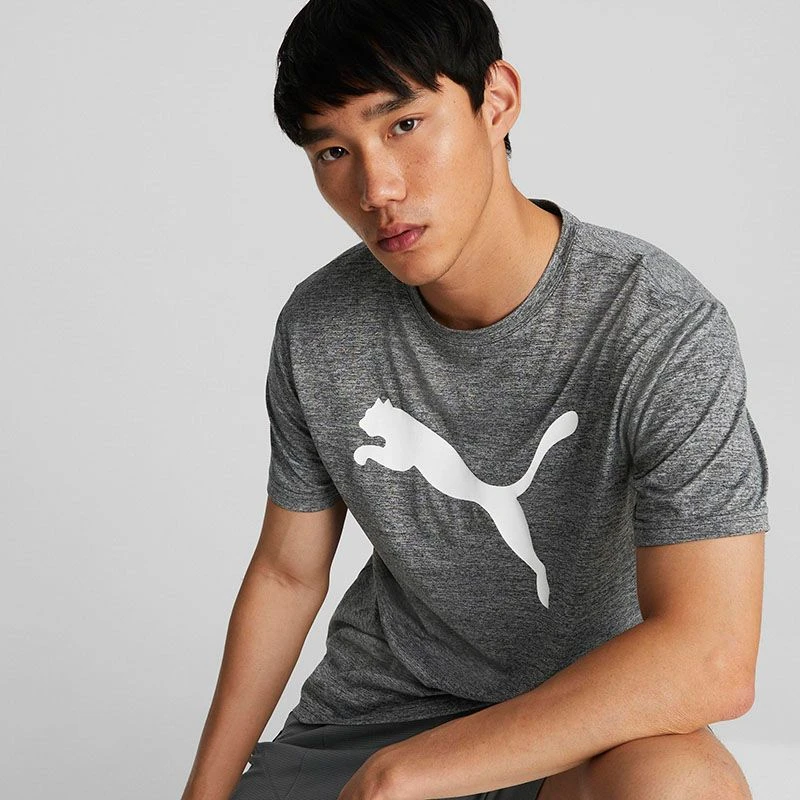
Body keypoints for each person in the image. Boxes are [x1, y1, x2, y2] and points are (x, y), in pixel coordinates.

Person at [181, 1, 770, 798]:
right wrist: (204, 793)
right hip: (373, 718)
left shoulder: (658, 325)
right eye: (333, 151)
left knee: (683, 787)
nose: (377, 188)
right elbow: (287, 575)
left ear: (496, 101)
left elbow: (712, 656)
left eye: (404, 125)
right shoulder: (320, 327)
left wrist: (403, 776)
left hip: (585, 730)